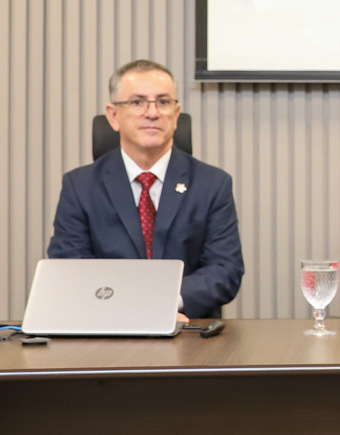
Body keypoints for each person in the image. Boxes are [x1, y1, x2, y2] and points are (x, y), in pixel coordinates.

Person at [47, 60, 245, 320]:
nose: (152, 113)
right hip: (107, 330)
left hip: (189, 334)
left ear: (176, 114)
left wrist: (164, 302)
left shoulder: (212, 183)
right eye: (138, 102)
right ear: (113, 115)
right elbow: (70, 269)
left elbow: (224, 270)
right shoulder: (80, 186)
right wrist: (135, 307)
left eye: (163, 102)